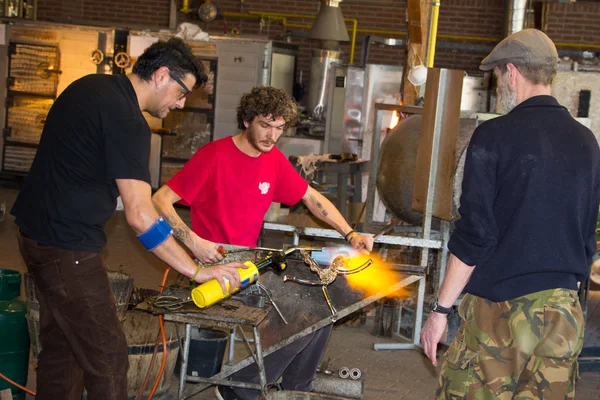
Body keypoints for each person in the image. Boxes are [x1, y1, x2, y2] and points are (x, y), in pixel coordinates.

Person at [11, 38, 245, 400]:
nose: (181, 104)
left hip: (33, 234)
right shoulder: (128, 120)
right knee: (108, 356)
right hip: (68, 247)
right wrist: (196, 271)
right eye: (182, 93)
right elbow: (139, 215)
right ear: (161, 75)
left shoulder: (90, 86)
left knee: (64, 347)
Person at [152, 85, 374, 399]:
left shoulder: (274, 161)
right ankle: (237, 389)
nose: (272, 136)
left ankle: (295, 388)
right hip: (214, 265)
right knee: (301, 314)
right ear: (247, 120)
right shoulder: (213, 156)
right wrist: (194, 241)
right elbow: (160, 200)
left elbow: (311, 197)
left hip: (251, 264)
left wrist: (350, 233)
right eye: (265, 125)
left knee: (324, 306)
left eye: (279, 128)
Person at [420, 29, 600, 399]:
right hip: (563, 316)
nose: (500, 84)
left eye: (498, 75)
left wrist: (440, 310)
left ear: (512, 72)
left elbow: (476, 236)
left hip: (500, 314)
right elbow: (587, 237)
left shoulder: (494, 136)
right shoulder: (587, 141)